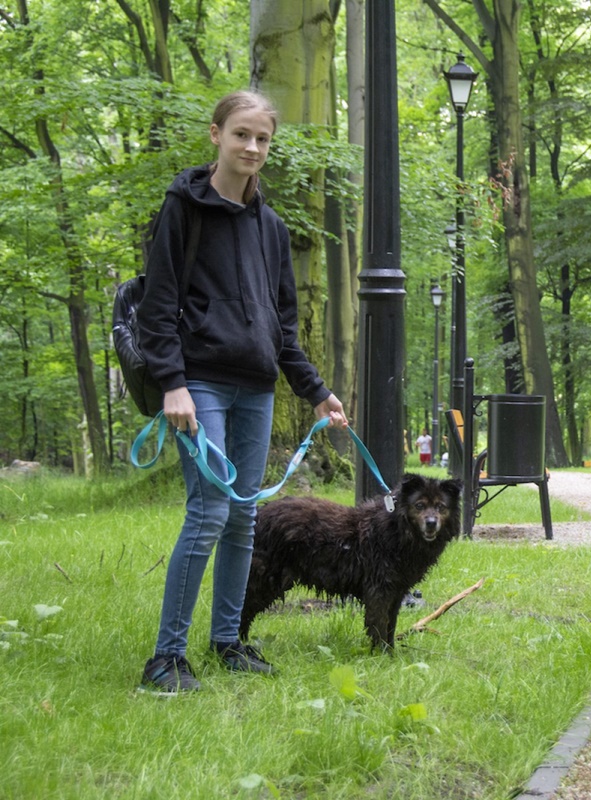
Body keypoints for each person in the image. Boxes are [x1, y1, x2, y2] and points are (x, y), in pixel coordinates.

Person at [138, 90, 348, 694]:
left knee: (242, 519)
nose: (252, 147)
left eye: (262, 139)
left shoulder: (271, 227)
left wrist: (316, 392)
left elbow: (284, 327)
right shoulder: (183, 207)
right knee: (208, 513)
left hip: (256, 388)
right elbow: (156, 308)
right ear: (216, 136)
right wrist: (172, 385)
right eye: (241, 135)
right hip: (198, 383)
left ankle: (228, 641)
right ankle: (166, 659)